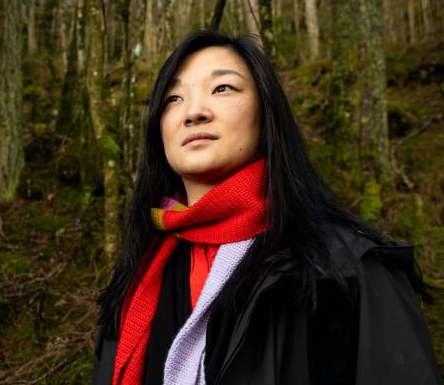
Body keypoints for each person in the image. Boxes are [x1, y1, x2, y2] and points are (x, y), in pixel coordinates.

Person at [91, 30, 440, 385]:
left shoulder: (350, 269)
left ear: (266, 111)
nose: (193, 112)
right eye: (174, 98)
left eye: (222, 88)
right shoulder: (138, 276)